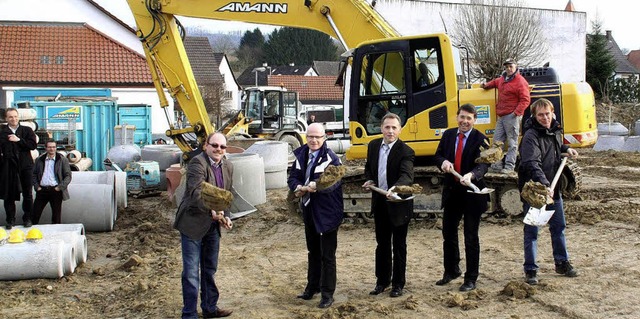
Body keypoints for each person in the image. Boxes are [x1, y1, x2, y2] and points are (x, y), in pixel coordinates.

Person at [518, 98, 579, 285]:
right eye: (540, 115)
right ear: (534, 116)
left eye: (547, 113)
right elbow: (531, 163)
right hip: (536, 191)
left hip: (554, 189)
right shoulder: (530, 136)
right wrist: (545, 186)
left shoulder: (554, 130)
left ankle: (561, 262)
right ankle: (531, 269)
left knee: (558, 227)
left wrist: (566, 149)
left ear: (553, 113)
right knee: (532, 231)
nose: (545, 118)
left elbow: (554, 147)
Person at [174, 132, 234, 319]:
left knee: (209, 268)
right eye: (214, 145)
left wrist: (227, 215)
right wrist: (212, 212)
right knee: (191, 272)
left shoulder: (228, 166)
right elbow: (195, 192)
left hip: (212, 226)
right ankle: (189, 314)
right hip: (193, 224)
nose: (218, 149)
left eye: (222, 147)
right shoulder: (197, 163)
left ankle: (209, 308)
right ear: (205, 146)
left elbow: (226, 195)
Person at [434, 103, 490, 292]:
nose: (465, 121)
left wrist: (472, 175)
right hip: (452, 193)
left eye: (469, 118)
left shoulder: (481, 139)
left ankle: (471, 278)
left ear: (474, 120)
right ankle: (451, 270)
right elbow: (438, 155)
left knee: (470, 237)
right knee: (448, 233)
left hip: (472, 193)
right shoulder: (448, 135)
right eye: (462, 117)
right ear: (457, 117)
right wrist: (443, 162)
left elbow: (484, 165)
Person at [288, 123, 344, 309]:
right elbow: (293, 176)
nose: (313, 140)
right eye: (310, 136)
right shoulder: (301, 154)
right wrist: (296, 187)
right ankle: (312, 287)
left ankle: (327, 294)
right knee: (313, 252)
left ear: (324, 138)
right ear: (306, 137)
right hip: (309, 209)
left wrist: (316, 186)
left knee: (328, 255)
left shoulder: (332, 159)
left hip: (328, 212)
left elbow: (333, 183)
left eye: (317, 137)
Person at [362, 112, 415, 298]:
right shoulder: (373, 146)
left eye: (394, 128)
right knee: (382, 244)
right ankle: (382, 281)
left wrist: (395, 188)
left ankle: (398, 284)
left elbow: (407, 175)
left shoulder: (406, 151)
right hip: (380, 204)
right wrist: (369, 180)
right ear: (381, 128)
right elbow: (369, 168)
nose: (390, 131)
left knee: (399, 245)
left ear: (400, 130)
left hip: (398, 204)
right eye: (387, 127)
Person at [481, 58, 530, 174]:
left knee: (512, 143)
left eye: (510, 66)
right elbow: (495, 82)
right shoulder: (503, 79)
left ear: (515, 67)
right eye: (506, 67)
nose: (508, 69)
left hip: (511, 116)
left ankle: (509, 167)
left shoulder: (520, 81)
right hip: (501, 116)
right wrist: (486, 85)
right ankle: (496, 165)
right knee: (497, 141)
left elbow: (525, 100)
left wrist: (516, 113)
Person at [0, 107, 37, 229]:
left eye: (15, 116)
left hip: (25, 166)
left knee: (28, 194)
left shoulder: (27, 130)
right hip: (9, 167)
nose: (13, 119)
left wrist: (18, 140)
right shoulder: (2, 133)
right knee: (8, 195)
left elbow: (32, 145)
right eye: (10, 117)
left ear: (18, 117)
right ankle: (10, 220)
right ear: (6, 119)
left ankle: (28, 219)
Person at [31, 139, 72, 225]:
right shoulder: (39, 160)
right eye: (49, 147)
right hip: (42, 190)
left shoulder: (62, 160)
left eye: (53, 147)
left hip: (55, 190)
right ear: (45, 148)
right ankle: (31, 231)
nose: (52, 149)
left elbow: (68, 176)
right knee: (35, 213)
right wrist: (37, 186)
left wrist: (59, 187)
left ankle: (56, 234)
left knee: (56, 216)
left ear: (56, 148)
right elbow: (33, 174)